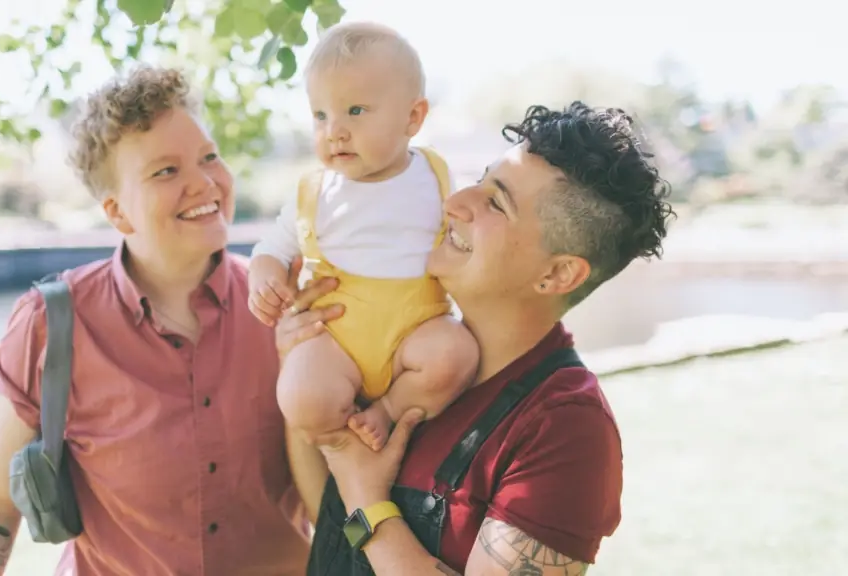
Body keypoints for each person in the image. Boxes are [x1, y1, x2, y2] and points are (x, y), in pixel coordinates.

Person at [0, 66, 310, 576]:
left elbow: (343, 481)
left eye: (209, 158)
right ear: (117, 212)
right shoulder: (50, 326)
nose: (204, 183)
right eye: (166, 171)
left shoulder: (288, 304)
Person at [280, 102, 674, 574]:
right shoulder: (402, 344)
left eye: (495, 202)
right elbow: (327, 514)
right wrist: (303, 363)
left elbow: (353, 500)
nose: (455, 202)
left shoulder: (565, 429)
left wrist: (368, 502)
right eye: (480, 179)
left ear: (558, 273)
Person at [248, 21, 479, 452]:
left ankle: (390, 409)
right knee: (300, 397)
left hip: (416, 328)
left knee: (456, 354)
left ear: (413, 117)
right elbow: (273, 248)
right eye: (321, 115)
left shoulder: (437, 178)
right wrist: (264, 277)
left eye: (355, 111)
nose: (334, 129)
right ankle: (345, 455)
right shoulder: (314, 192)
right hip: (337, 336)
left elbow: (472, 242)